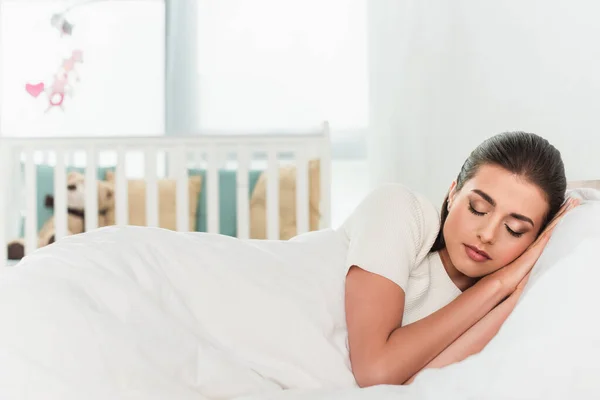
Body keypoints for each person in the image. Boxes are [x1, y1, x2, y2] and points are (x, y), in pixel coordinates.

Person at [340, 131, 580, 387]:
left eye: (514, 229)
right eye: (478, 208)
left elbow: (411, 391)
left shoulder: (501, 310)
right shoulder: (401, 209)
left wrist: (513, 294)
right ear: (453, 193)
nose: (487, 234)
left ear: (534, 241)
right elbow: (375, 372)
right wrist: (498, 284)